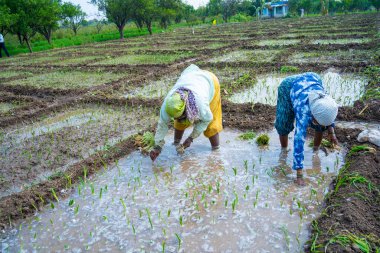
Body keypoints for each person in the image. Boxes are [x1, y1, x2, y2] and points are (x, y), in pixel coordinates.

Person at [275, 72, 338, 186]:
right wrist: (299, 175)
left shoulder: (326, 103)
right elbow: (299, 141)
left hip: (313, 79)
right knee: (283, 124)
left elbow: (328, 114)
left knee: (320, 125)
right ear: (313, 115)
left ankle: (316, 150)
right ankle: (283, 151)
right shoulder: (303, 112)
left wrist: (331, 132)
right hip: (289, 86)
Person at [150, 64, 223, 161]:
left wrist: (190, 138)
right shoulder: (167, 105)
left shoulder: (200, 103)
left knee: (211, 125)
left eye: (179, 116)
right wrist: (157, 147)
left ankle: (216, 151)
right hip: (190, 77)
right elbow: (162, 125)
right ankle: (176, 143)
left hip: (210, 82)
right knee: (180, 121)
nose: (176, 119)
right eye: (174, 117)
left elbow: (206, 119)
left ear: (186, 108)